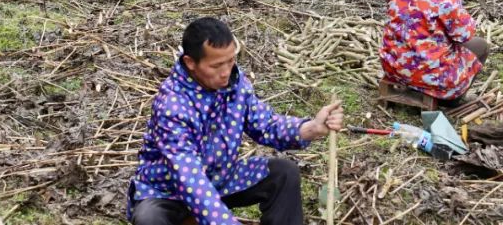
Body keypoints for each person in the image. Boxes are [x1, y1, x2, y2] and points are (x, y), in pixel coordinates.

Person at [128, 17, 344, 225]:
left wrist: (311, 128)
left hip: (221, 178)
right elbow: (188, 178)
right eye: (216, 66)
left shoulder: (235, 84)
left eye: (231, 61)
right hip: (169, 191)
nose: (225, 72)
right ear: (190, 63)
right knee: (149, 217)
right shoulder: (172, 106)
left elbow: (266, 125)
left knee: (284, 173)